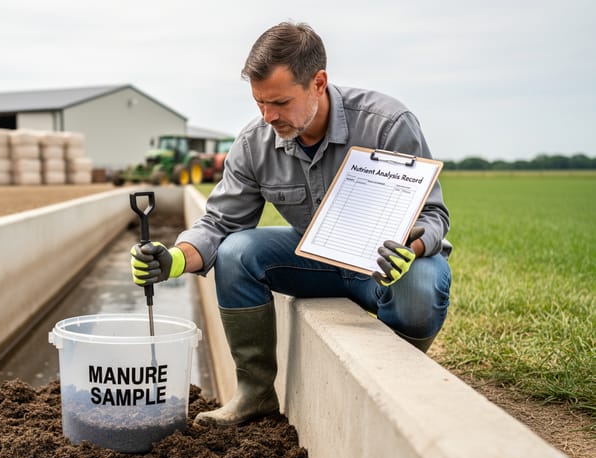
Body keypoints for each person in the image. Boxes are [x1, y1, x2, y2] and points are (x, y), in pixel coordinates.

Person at [130, 21, 452, 427]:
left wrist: (411, 249)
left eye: (280, 102)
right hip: (314, 262)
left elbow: (434, 217)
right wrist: (173, 260)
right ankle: (254, 394)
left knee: (422, 284)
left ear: (318, 82)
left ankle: (396, 390)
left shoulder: (386, 124)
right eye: (259, 103)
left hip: (382, 270)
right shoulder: (254, 144)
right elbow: (219, 224)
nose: (268, 116)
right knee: (236, 252)